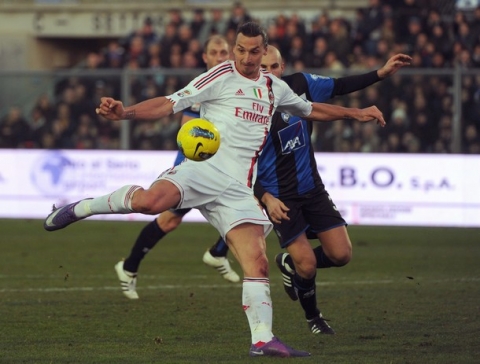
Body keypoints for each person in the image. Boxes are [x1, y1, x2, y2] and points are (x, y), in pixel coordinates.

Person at [44, 22, 385, 357]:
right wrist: (124, 113)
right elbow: (168, 103)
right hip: (202, 171)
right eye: (240, 50)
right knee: (149, 203)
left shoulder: (273, 88)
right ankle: (81, 208)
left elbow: (311, 110)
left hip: (238, 189)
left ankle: (263, 340)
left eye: (254, 51)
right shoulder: (220, 75)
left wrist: (355, 114)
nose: (246, 58)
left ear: (263, 51)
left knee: (258, 263)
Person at [205, 47, 411, 335]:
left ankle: (288, 263)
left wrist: (380, 73)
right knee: (309, 265)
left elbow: (339, 86)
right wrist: (265, 198)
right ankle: (314, 317)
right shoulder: (245, 109)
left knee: (341, 254)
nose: (271, 72)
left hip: (312, 189)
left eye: (276, 66)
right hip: (280, 199)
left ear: (283, 65)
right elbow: (239, 165)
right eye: (265, 68)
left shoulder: (299, 85)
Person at [115, 35, 238, 301]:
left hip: (224, 166)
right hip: (195, 167)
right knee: (169, 221)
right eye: (214, 52)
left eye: (224, 52)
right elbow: (189, 132)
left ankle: (218, 252)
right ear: (205, 58)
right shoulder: (200, 90)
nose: (220, 57)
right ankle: (128, 266)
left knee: (250, 208)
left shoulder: (234, 87)